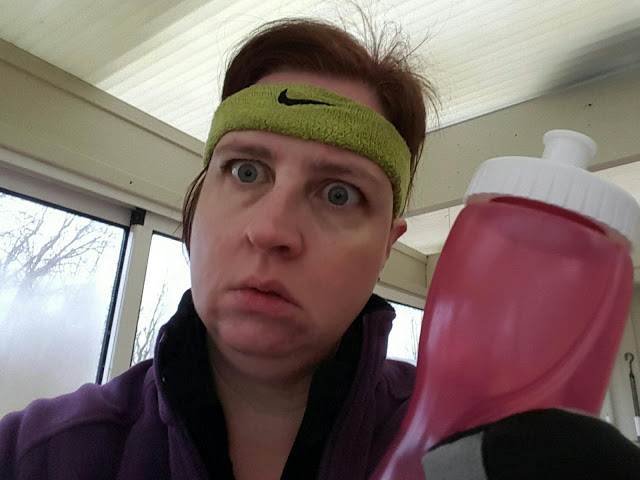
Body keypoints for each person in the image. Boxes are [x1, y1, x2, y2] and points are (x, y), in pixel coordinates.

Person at [0, 18, 434, 480]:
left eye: (339, 194)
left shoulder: (459, 447)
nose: (270, 230)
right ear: (199, 197)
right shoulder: (32, 456)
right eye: (247, 171)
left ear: (387, 247)